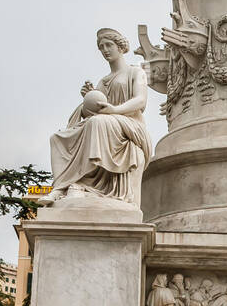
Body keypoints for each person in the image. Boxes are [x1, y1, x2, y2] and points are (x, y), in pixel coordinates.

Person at [42, 29, 151, 206]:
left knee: (97, 122)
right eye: (101, 47)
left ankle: (73, 183)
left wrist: (114, 110)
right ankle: (62, 186)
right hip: (108, 122)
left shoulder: (136, 72)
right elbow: (96, 109)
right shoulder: (103, 81)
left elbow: (140, 101)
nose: (105, 50)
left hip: (131, 126)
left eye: (109, 45)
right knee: (57, 138)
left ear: (120, 47)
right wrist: (88, 100)